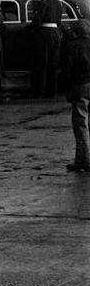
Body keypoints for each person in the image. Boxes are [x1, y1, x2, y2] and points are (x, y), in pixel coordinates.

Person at [63, 19, 90, 173]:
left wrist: (69, 91)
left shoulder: (72, 47)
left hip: (81, 87)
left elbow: (67, 72)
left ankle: (83, 161)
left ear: (74, 32)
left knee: (81, 125)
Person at [29, 0, 63, 97]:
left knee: (42, 63)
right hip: (55, 34)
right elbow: (59, 21)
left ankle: (39, 91)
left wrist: (32, 28)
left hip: (44, 34)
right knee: (53, 63)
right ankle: (51, 91)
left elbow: (37, 21)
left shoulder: (43, 2)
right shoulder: (58, 3)